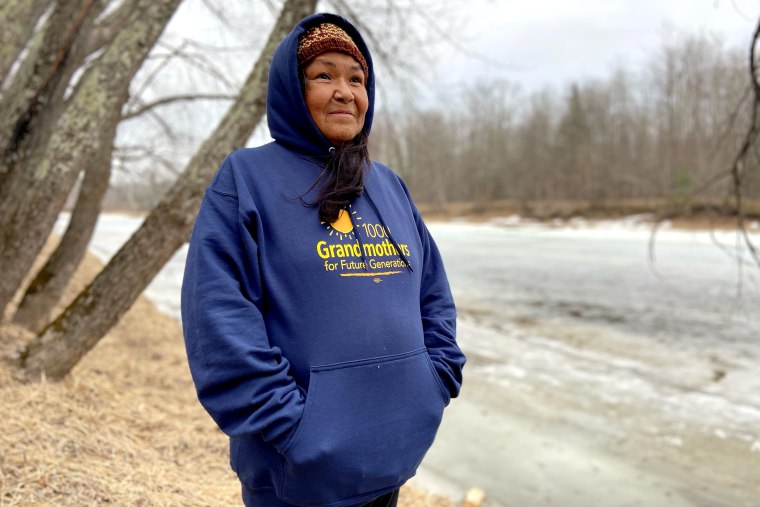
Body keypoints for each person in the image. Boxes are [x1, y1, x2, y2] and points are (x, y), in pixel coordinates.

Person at [181, 12, 465, 507]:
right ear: (292, 88)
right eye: (324, 75)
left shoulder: (389, 186)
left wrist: (432, 384)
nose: (344, 91)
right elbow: (219, 318)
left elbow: (433, 297)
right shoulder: (247, 179)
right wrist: (296, 431)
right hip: (294, 474)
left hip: (390, 459)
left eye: (357, 79)